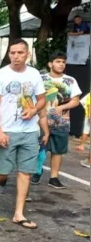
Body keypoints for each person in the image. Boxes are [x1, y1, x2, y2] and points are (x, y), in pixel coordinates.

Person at [0, 38, 46, 229]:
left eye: (20, 52)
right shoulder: (0, 75)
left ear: (27, 54)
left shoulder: (34, 74)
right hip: (7, 131)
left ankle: (19, 213)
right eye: (12, 52)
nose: (16, 56)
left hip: (30, 130)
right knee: (2, 173)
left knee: (26, 173)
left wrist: (34, 110)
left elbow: (42, 100)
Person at [31, 52, 82, 188]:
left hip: (61, 123)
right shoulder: (40, 79)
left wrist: (62, 107)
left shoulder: (70, 81)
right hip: (40, 121)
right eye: (58, 61)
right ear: (50, 64)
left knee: (58, 151)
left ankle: (54, 177)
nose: (61, 64)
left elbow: (76, 100)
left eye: (63, 62)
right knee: (39, 148)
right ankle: (36, 172)